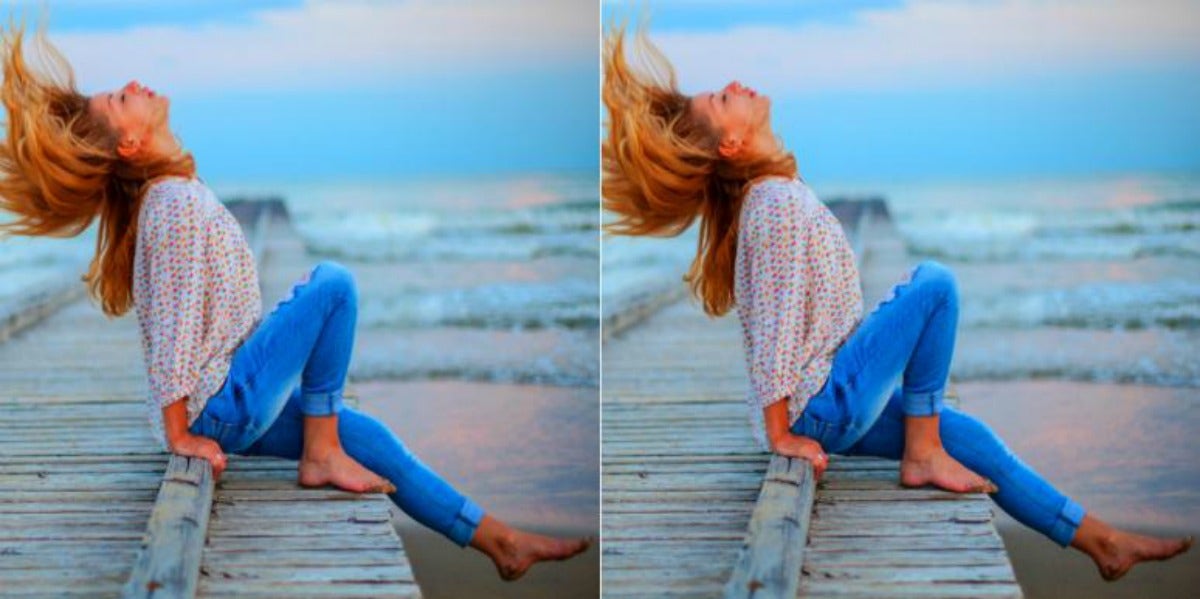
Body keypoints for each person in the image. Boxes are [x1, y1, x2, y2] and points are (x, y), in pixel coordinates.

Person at [600, 24, 1191, 582]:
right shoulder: (775, 202)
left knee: (972, 438)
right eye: (721, 100)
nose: (733, 87)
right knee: (933, 284)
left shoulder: (771, 195)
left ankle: (1099, 541)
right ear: (730, 143)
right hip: (821, 404)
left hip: (826, 399)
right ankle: (923, 452)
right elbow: (775, 328)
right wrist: (782, 433)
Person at [0, 23, 588, 582]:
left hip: (225, 396)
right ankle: (321, 452)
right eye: (119, 100)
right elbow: (174, 329)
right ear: (129, 143)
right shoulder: (173, 202)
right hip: (220, 404)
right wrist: (181, 434)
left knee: (373, 440)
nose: (132, 87)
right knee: (332, 285)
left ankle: (497, 540)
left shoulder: (170, 194)